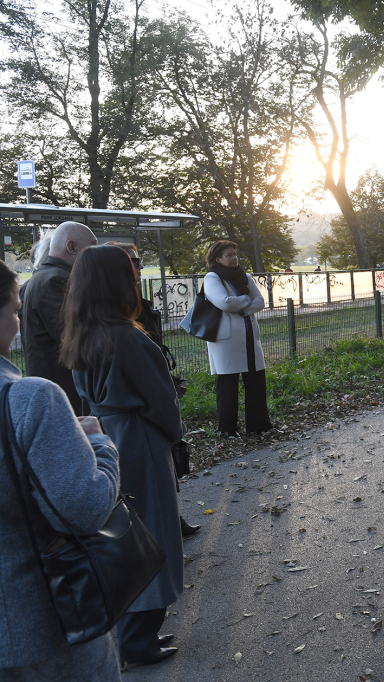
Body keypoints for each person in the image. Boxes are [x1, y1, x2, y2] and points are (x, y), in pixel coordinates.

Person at [61, 245, 184, 667]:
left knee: (123, 534)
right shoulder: (130, 337)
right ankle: (139, 638)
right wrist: (175, 436)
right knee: (154, 532)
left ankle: (132, 629)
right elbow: (161, 401)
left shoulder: (82, 333)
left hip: (103, 432)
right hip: (138, 437)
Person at [0, 259, 122, 680]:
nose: (18, 324)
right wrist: (98, 444)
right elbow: (84, 510)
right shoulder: (29, 400)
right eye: (15, 311)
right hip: (41, 629)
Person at [109, 242, 201, 538]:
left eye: (138, 260)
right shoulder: (121, 323)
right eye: (132, 261)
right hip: (140, 421)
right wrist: (174, 427)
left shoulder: (127, 308)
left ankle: (169, 517)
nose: (138, 266)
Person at [19, 221, 98, 414]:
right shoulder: (56, 281)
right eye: (92, 247)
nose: (96, 254)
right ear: (72, 247)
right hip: (65, 393)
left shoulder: (44, 277)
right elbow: (75, 338)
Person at [203, 240, 273, 437]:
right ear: (218, 259)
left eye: (235, 254)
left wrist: (241, 307)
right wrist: (247, 301)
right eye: (229, 255)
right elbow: (224, 303)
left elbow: (261, 302)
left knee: (256, 380)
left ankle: (259, 426)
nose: (234, 258)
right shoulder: (212, 278)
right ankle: (228, 430)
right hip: (227, 340)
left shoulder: (245, 276)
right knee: (228, 385)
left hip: (249, 335)